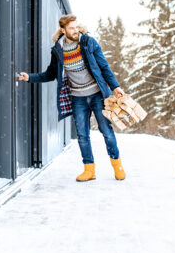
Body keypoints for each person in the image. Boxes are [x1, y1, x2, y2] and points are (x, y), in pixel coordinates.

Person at [18, 14, 126, 182]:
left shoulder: (88, 43)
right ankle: (89, 170)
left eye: (77, 27)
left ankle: (117, 165)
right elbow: (51, 74)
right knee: (83, 135)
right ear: (63, 30)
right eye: (71, 28)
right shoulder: (58, 50)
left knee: (106, 131)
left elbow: (104, 66)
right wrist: (30, 77)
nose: (75, 31)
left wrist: (115, 86)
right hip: (77, 98)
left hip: (97, 95)